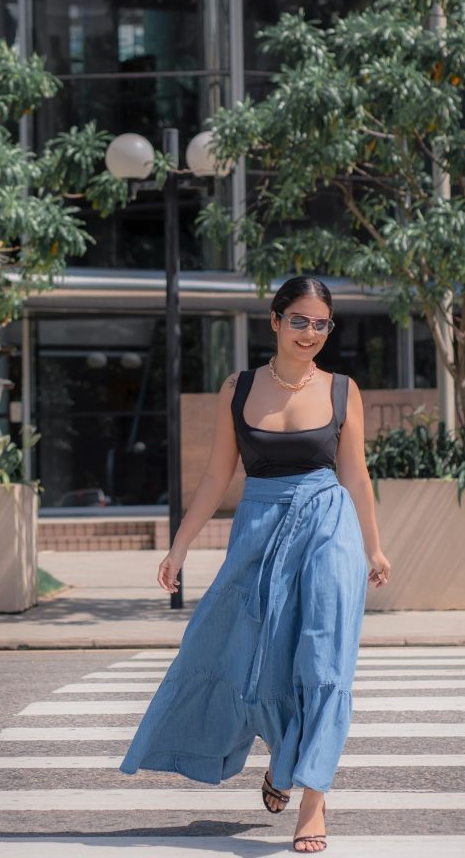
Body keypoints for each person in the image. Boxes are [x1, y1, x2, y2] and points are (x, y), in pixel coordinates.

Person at [120, 275, 391, 853]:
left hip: (328, 528)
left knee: (323, 661)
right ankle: (284, 760)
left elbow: (355, 474)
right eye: (299, 320)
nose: (310, 333)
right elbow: (219, 474)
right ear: (274, 321)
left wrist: (373, 545)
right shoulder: (238, 389)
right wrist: (180, 545)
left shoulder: (343, 389)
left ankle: (313, 804)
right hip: (260, 532)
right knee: (252, 660)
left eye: (322, 324)